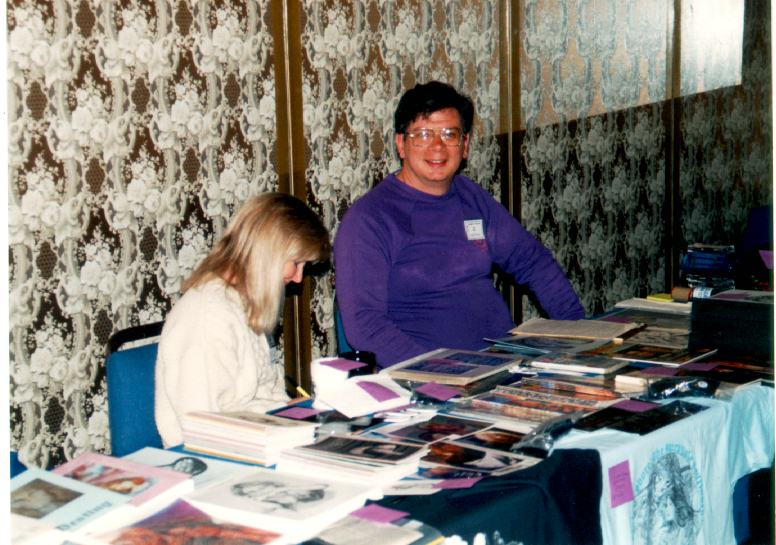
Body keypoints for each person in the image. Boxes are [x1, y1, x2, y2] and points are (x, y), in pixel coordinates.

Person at [334, 81, 584, 367]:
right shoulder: (369, 219)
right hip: (434, 381)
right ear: (401, 144)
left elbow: (532, 261)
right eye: (424, 134)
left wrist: (580, 333)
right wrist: (443, 374)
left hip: (505, 365)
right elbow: (365, 326)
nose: (438, 146)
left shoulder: (470, 197)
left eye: (449, 134)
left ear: (464, 146)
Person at [155, 193, 330, 447]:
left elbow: (260, 396)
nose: (298, 278)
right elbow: (200, 430)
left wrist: (296, 408)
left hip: (256, 443)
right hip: (218, 460)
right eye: (296, 263)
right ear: (268, 254)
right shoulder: (208, 315)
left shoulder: (245, 302)